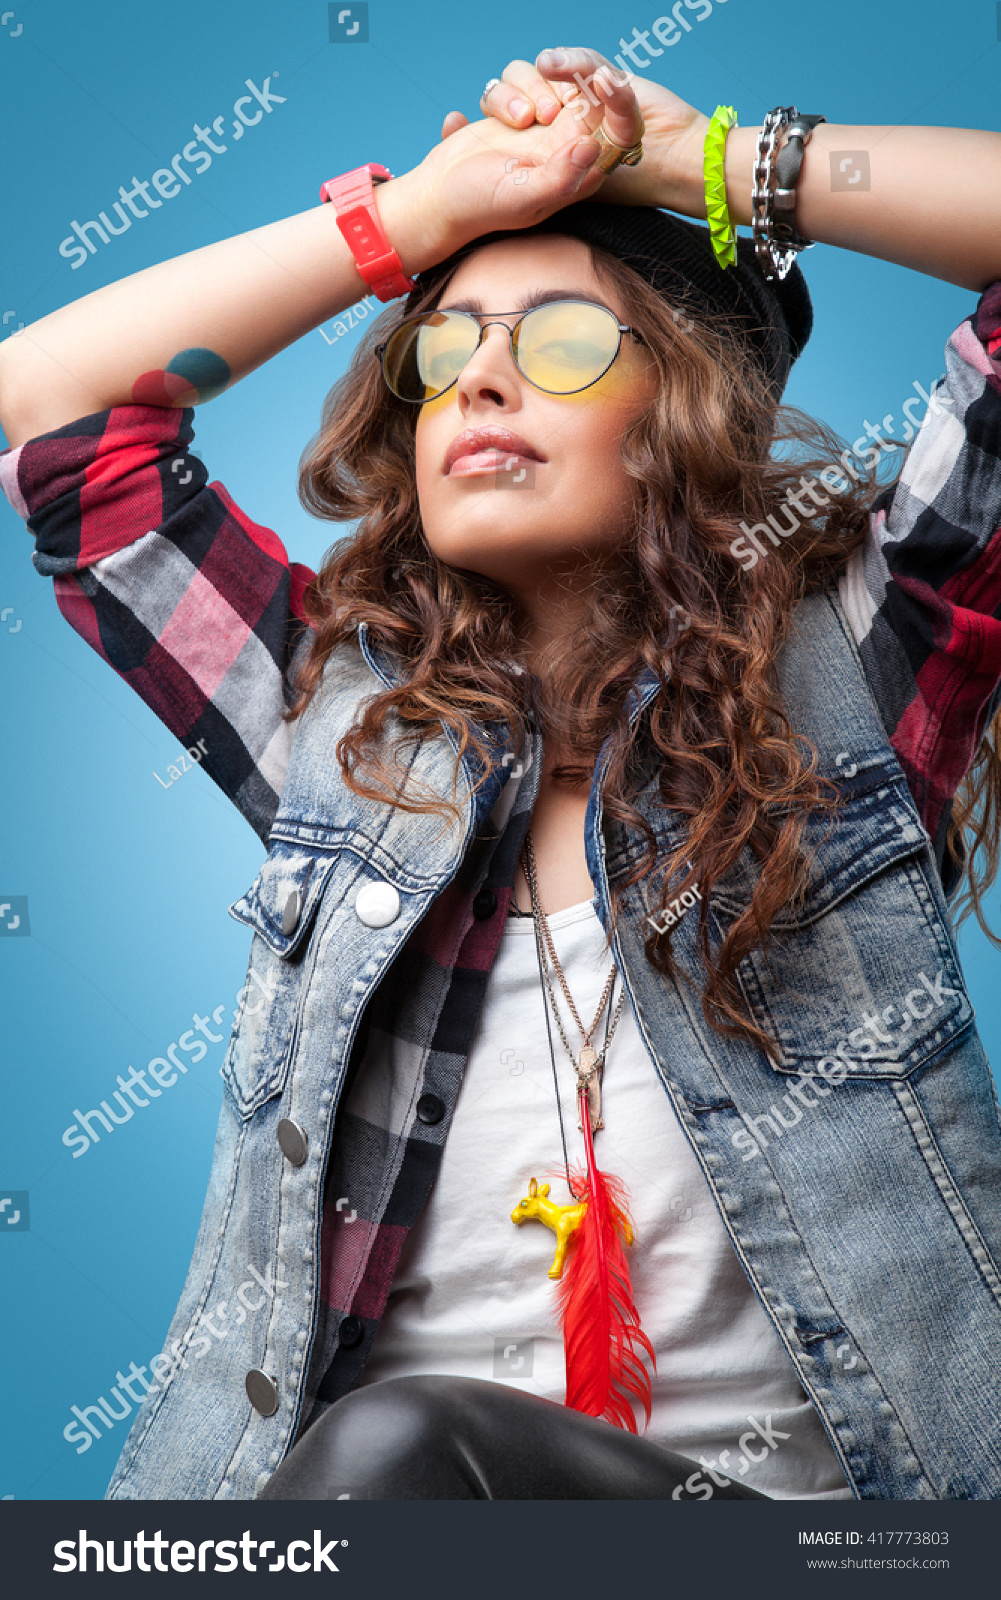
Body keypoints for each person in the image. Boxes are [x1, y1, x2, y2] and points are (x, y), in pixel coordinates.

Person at [2, 45, 1000, 1503]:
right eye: (446, 345)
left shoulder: (859, 668)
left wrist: (706, 165)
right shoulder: (340, 732)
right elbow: (53, 411)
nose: (476, 378)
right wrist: (409, 219)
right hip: (349, 1546)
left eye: (559, 343)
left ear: (689, 412)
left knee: (405, 1448)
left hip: (813, 1550)